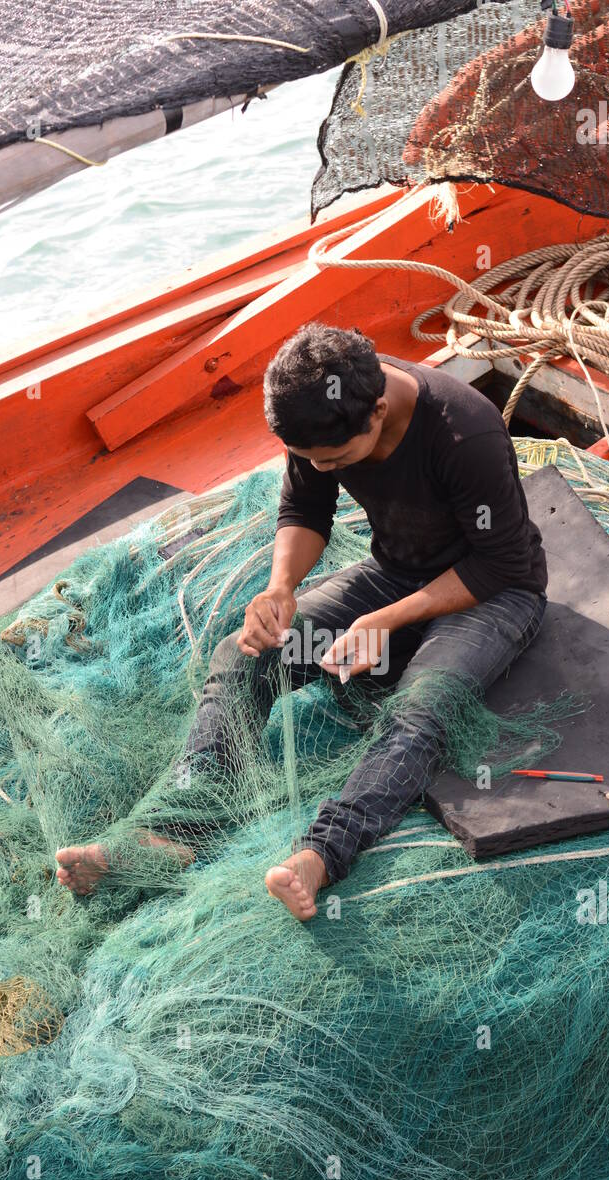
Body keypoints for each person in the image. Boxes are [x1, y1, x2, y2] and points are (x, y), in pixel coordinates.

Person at [56, 323, 547, 919]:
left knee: (421, 708)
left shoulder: (464, 431)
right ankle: (177, 830)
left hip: (492, 594)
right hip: (393, 575)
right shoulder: (316, 409)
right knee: (244, 655)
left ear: (379, 412)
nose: (321, 466)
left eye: (334, 459)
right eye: (310, 457)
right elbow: (305, 509)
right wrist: (280, 589)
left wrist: (386, 621)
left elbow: (502, 562)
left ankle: (323, 853)